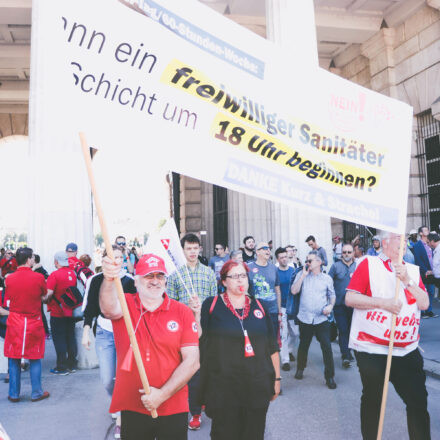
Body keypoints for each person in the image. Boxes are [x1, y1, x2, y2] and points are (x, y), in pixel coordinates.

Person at [99, 253, 199, 440]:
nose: (155, 281)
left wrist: (162, 394)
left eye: (159, 276)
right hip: (133, 405)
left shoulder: (182, 311)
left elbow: (192, 362)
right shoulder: (126, 303)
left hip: (173, 406)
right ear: (136, 281)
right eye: (148, 276)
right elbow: (108, 309)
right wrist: (109, 278)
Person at [345, 232, 431, 440]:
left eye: (404, 239)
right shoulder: (368, 264)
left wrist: (407, 281)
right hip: (373, 349)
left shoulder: (411, 270)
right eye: (398, 238)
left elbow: (424, 304)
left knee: (418, 400)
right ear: (385, 243)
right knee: (374, 400)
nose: (403, 243)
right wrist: (383, 303)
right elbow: (350, 298)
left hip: (406, 349)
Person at [196, 260, 280, 440]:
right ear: (224, 282)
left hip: (257, 385)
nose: (240, 281)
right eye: (234, 277)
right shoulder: (211, 305)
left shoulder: (260, 307)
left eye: (243, 276)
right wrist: (196, 315)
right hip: (224, 387)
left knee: (254, 433)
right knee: (224, 434)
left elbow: (272, 346)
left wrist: (277, 379)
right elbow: (200, 339)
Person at [81, 245, 136, 439]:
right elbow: (89, 309)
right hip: (104, 333)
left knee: (123, 377)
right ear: (104, 260)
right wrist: (86, 332)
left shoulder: (131, 282)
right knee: (107, 379)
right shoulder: (94, 281)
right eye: (112, 257)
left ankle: (121, 413)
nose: (116, 261)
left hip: (127, 335)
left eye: (120, 257)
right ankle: (116, 401)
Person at [166, 233, 217, 431]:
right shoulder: (176, 274)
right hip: (185, 329)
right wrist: (186, 306)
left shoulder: (208, 273)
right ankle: (194, 412)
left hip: (206, 326)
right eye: (189, 248)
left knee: (207, 367)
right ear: (183, 250)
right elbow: (169, 303)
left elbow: (214, 301)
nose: (193, 252)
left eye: (196, 248)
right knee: (192, 369)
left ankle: (204, 400)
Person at [3, 247, 50, 402]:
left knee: (14, 357)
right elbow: (43, 295)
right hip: (33, 320)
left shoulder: (9, 278)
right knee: (35, 357)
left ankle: (14, 393)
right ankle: (36, 392)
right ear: (29, 259)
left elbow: (9, 298)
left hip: (15, 320)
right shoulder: (38, 277)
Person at [291, 251, 337, 389]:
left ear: (319, 262)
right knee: (304, 345)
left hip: (321, 318)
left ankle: (329, 376)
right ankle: (300, 368)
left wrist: (330, 306)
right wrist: (303, 275)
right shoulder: (302, 274)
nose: (307, 263)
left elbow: (332, 295)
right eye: (306, 260)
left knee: (327, 347)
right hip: (305, 317)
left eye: (310, 261)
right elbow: (294, 291)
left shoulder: (327, 278)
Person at [46, 251, 78, 375]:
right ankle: (72, 364)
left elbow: (49, 293)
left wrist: (43, 299)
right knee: (70, 337)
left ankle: (61, 367)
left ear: (56, 262)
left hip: (57, 312)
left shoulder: (54, 275)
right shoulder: (73, 274)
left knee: (59, 339)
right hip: (70, 311)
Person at [328, 243, 356, 368]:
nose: (346, 254)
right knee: (343, 329)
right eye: (344, 252)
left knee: (351, 330)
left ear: (353, 253)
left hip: (355, 305)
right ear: (341, 254)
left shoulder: (358, 266)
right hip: (339, 304)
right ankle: (345, 355)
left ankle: (349, 351)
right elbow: (328, 283)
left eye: (349, 252)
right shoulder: (335, 266)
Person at [247, 242, 281, 340]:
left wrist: (279, 312)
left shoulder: (274, 268)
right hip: (255, 311)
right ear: (257, 252)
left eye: (269, 248)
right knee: (258, 341)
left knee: (273, 341)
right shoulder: (249, 268)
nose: (268, 250)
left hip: (272, 311)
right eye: (264, 248)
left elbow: (277, 291)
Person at [275, 247, 297, 371]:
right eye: (281, 257)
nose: (284, 259)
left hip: (292, 306)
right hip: (281, 307)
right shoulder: (275, 271)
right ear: (278, 259)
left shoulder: (293, 270)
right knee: (283, 334)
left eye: (285, 257)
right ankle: (285, 360)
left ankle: (288, 350)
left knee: (295, 333)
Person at [413, 226, 437, 318]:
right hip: (424, 272)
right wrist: (426, 270)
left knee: (431, 291)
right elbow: (418, 260)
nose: (428, 231)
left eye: (428, 229)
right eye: (425, 230)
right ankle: (422, 312)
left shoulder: (430, 243)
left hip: (432, 272)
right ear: (421, 233)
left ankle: (429, 310)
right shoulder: (418, 245)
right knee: (423, 291)